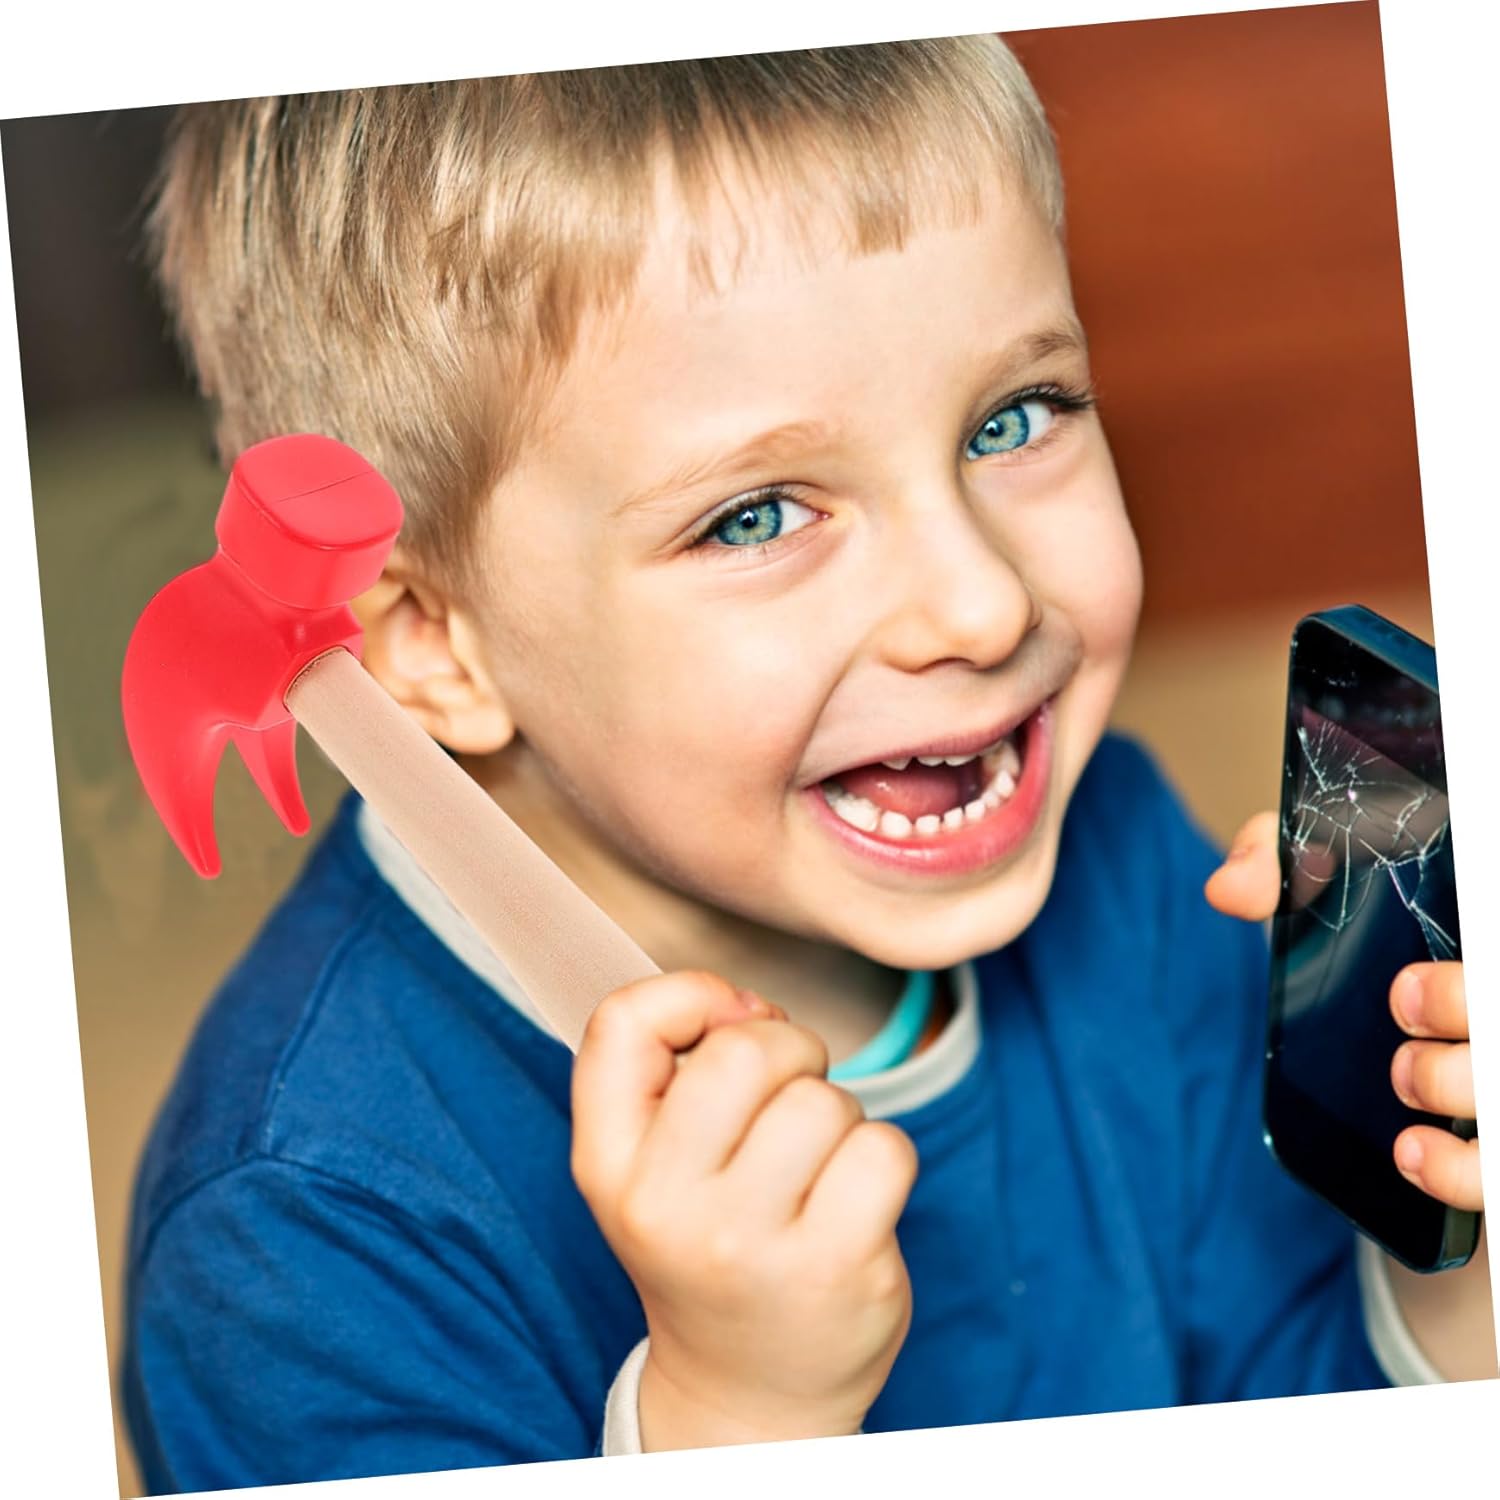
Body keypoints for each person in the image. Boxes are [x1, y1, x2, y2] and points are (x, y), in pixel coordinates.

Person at [120, 37, 1491, 1491]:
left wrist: (1453, 1261)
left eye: (1011, 421)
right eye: (759, 516)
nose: (983, 605)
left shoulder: (1129, 867)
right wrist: (731, 1420)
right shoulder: (304, 1237)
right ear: (434, 647)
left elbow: (1279, 1394)